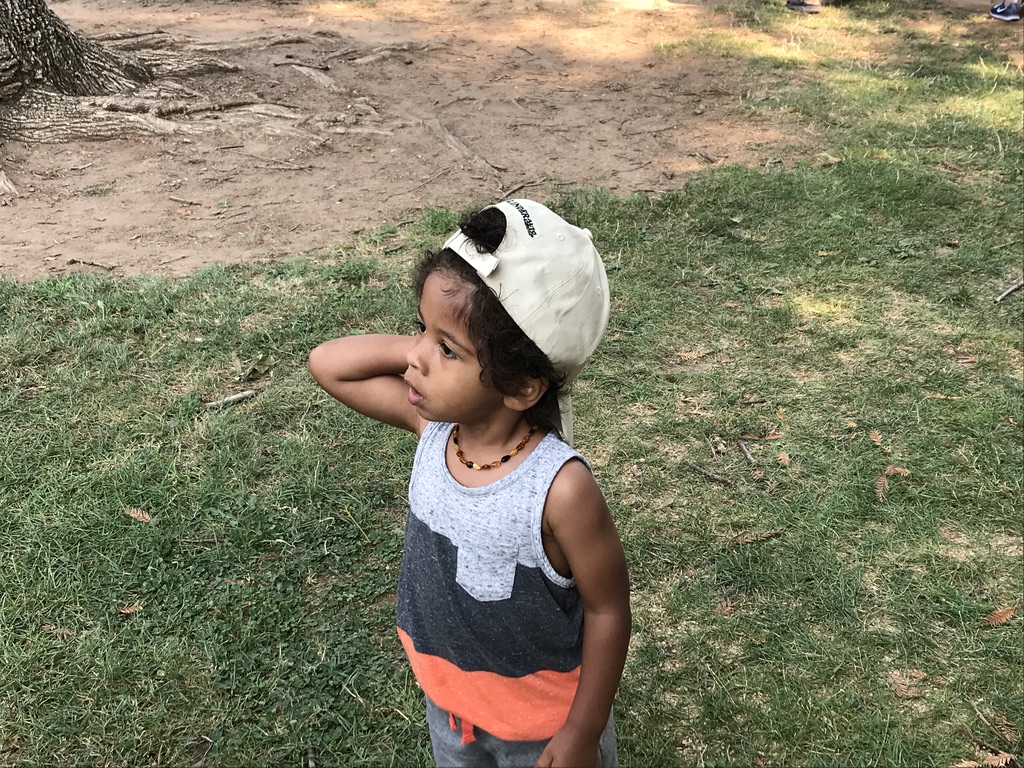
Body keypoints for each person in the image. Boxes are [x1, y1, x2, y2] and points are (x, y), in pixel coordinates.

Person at [308, 199, 632, 768]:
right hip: (453, 709)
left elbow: (609, 610)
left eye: (447, 350)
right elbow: (327, 363)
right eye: (420, 330)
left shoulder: (560, 490)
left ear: (522, 386)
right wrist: (431, 342)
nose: (415, 359)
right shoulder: (434, 427)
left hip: (543, 728)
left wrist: (582, 730)